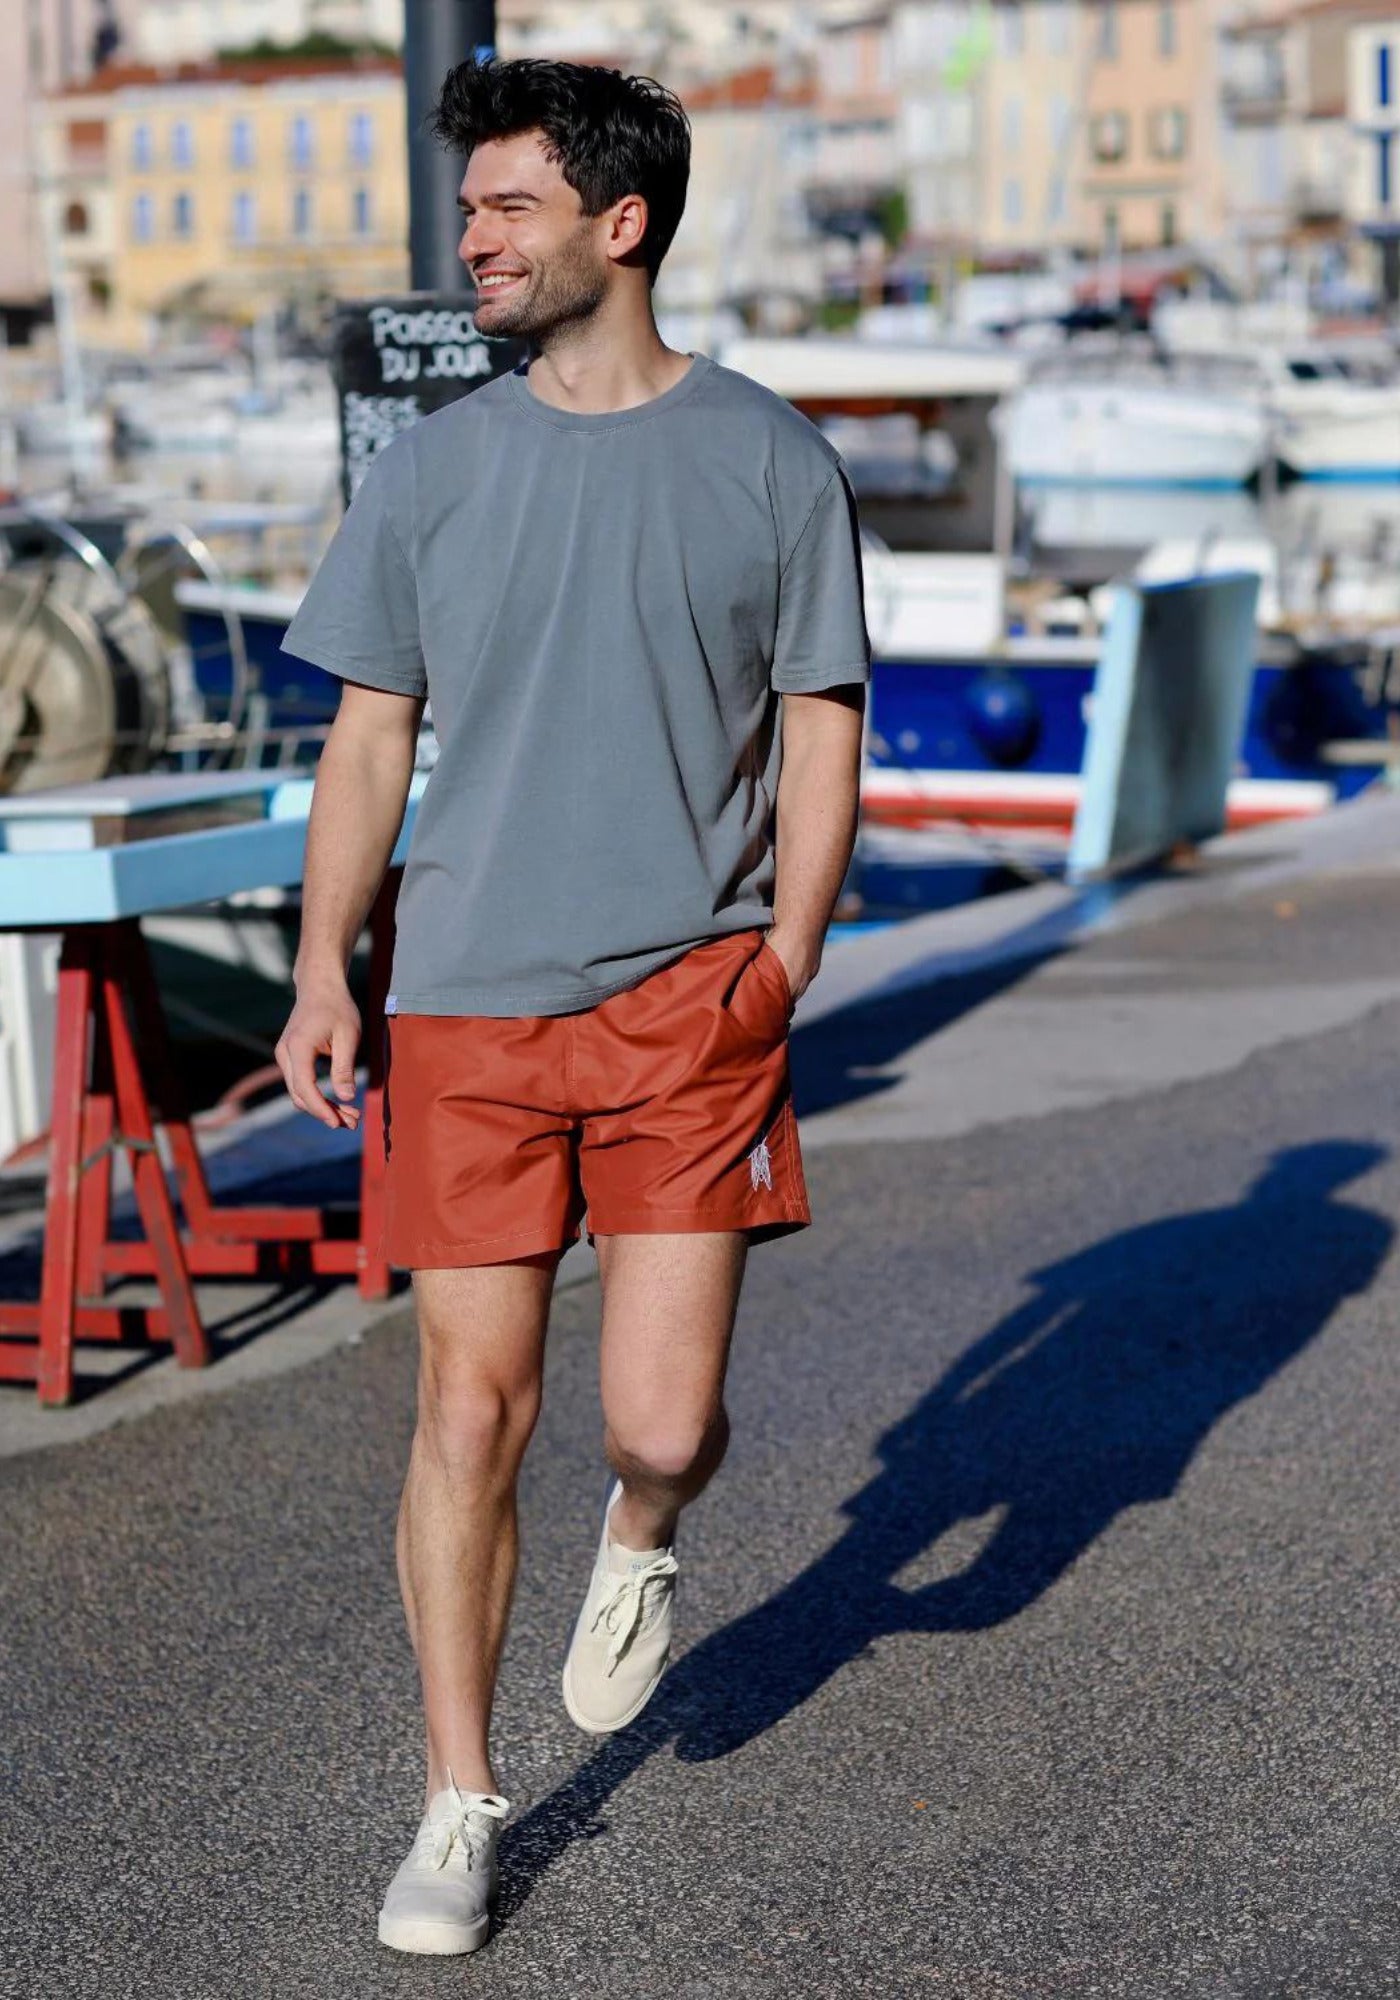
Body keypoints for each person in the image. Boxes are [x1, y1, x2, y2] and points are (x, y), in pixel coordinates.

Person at [275, 55, 870, 1958]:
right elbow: (370, 742)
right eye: (472, 209)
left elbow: (822, 724)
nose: (477, 239)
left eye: (510, 206)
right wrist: (322, 965)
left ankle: (641, 1542)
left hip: (691, 1000)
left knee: (663, 1418)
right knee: (468, 1410)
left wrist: (787, 960)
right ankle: (458, 1803)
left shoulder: (772, 457)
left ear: (621, 226)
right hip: (462, 1006)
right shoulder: (434, 470)